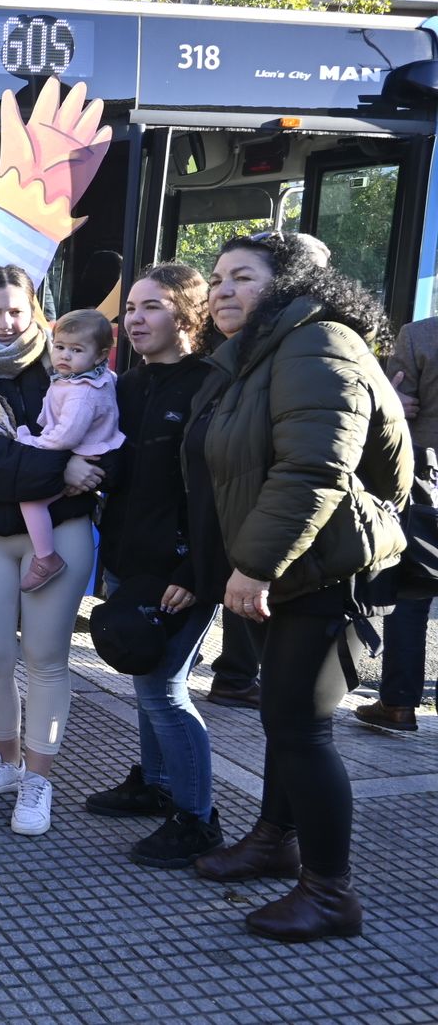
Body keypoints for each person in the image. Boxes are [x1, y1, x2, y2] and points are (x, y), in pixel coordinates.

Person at [186, 232, 409, 942]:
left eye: (241, 277)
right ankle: (273, 840)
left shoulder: (317, 345)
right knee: (281, 720)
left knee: (303, 731)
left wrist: (254, 566)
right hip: (285, 569)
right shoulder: (261, 353)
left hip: (317, 573)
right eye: (216, 278)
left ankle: (330, 892)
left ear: (285, 286)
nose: (221, 290)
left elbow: (314, 469)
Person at [0, 265, 105, 836]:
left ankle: (39, 777)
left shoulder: (65, 362)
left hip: (60, 532)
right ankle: (5, 763)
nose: (5, 324)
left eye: (16, 311)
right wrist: (62, 466)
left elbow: (104, 439)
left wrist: (73, 469)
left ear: (34, 312)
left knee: (46, 656)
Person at [86, 263, 224, 868]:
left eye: (151, 307)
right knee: (144, 681)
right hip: (127, 561)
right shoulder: (128, 384)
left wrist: (194, 573)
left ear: (188, 316)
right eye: (131, 308)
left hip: (180, 571)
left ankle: (198, 819)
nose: (133, 319)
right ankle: (156, 784)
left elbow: (220, 494)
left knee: (165, 690)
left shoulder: (211, 386)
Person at [359, 313, 438, 732]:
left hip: (428, 480)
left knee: (412, 592)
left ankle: (399, 705)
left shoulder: (421, 334)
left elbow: (396, 409)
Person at [11, 308, 124, 592]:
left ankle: (46, 558)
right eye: (59, 347)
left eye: (76, 350)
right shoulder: (90, 377)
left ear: (99, 356)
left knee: (32, 501)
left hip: (84, 451)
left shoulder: (82, 391)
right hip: (89, 448)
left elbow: (65, 436)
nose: (64, 356)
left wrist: (30, 442)